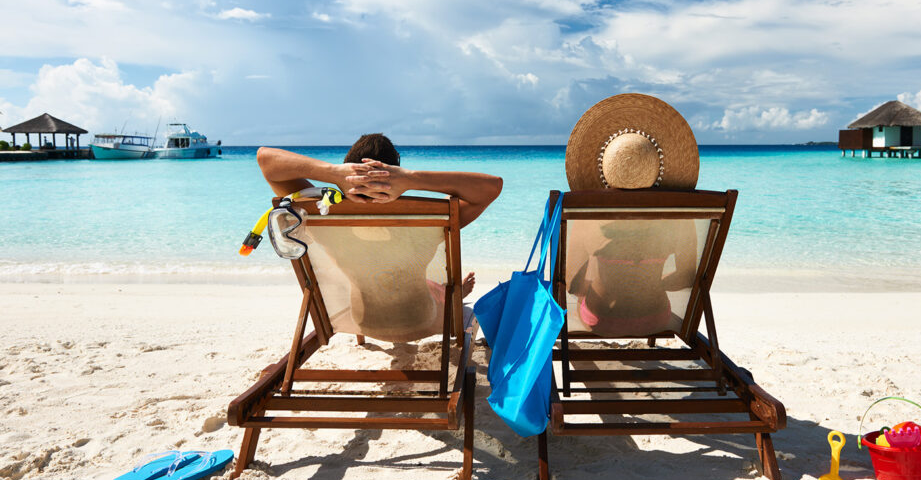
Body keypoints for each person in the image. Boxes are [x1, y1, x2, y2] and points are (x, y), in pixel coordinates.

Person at [256, 134, 502, 340]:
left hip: (364, 321)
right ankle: (454, 294)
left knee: (388, 271)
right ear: (395, 170)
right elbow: (492, 187)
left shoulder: (321, 217)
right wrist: (411, 179)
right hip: (422, 319)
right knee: (412, 274)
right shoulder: (430, 220)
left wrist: (333, 173)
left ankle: (450, 293)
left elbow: (266, 160)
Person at [562, 93, 702, 337]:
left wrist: (602, 284)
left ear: (605, 167)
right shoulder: (680, 216)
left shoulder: (586, 217)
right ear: (657, 166)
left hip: (601, 320)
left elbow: (573, 284)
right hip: (656, 317)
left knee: (582, 296)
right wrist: (649, 285)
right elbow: (687, 277)